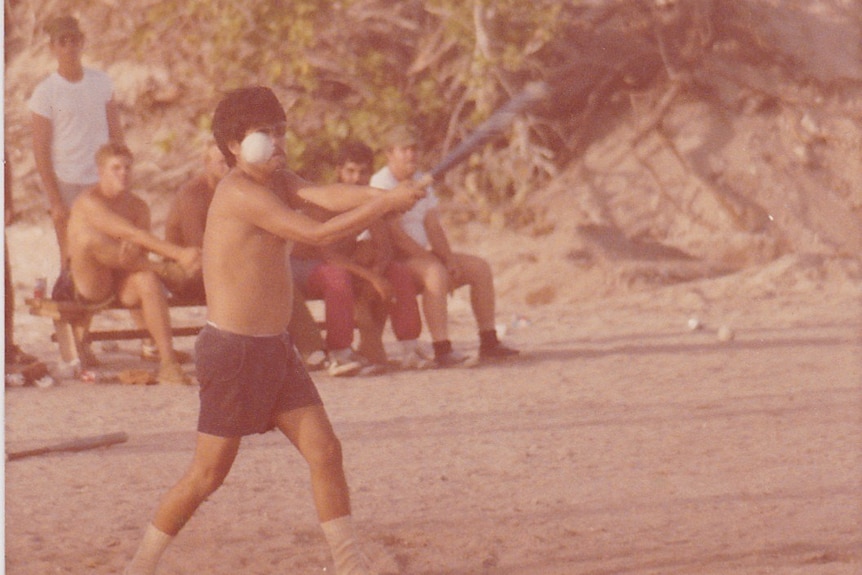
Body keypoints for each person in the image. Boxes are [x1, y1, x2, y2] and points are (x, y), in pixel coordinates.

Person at [123, 86, 424, 575]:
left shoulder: (278, 179)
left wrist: (383, 196)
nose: (278, 141)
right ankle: (140, 566)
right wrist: (383, 204)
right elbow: (316, 233)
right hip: (232, 353)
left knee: (325, 451)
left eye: (281, 131)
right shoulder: (239, 191)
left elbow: (326, 196)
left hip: (275, 350)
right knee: (206, 475)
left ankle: (350, 565)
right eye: (264, 133)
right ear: (234, 146)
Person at [370, 125, 518, 367]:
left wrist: (448, 259)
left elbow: (433, 227)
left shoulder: (421, 180)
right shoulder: (381, 182)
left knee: (479, 268)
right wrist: (433, 261)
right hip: (393, 258)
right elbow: (395, 235)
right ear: (389, 153)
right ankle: (442, 349)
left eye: (414, 149)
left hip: (420, 255)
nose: (411, 155)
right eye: (404, 150)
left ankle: (489, 341)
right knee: (435, 273)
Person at [66, 143, 201, 384]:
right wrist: (178, 255)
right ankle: (166, 270)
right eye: (115, 168)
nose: (123, 173)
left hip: (124, 275)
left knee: (147, 279)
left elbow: (138, 250)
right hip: (91, 282)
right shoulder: (89, 201)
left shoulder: (138, 207)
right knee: (88, 238)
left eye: (128, 168)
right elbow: (131, 234)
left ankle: (168, 363)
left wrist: (130, 252)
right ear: (100, 172)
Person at [29, 15, 125, 272]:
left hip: (101, 180)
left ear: (82, 43)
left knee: (108, 251)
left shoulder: (102, 82)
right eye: (63, 42)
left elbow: (116, 134)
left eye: (74, 40)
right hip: (67, 182)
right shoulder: (45, 92)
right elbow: (40, 150)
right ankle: (70, 307)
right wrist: (55, 200)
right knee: (70, 255)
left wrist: (121, 178)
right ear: (53, 47)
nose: (69, 47)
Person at [163, 141, 229, 303]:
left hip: (214, 263)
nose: (227, 167)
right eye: (221, 162)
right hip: (185, 269)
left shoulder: (229, 190)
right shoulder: (192, 194)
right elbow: (196, 244)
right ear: (207, 163)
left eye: (230, 162)